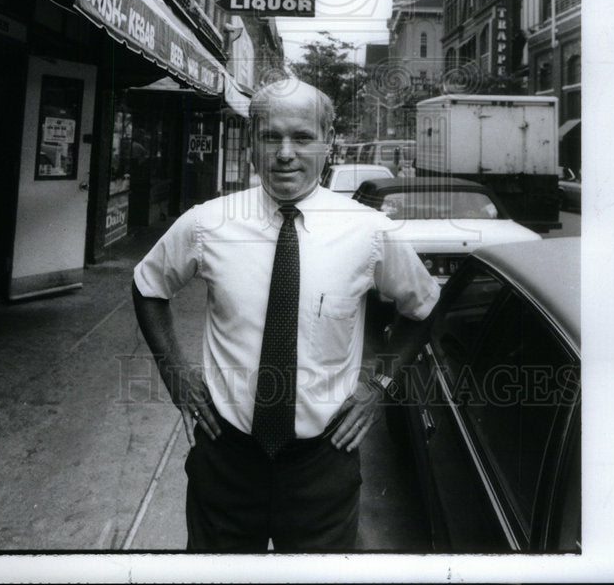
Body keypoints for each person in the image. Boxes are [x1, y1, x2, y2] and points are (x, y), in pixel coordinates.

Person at [132, 78, 440, 553]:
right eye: (270, 136)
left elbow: (422, 308)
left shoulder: (369, 232)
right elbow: (148, 285)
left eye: (301, 137)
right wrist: (173, 370)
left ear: (328, 143)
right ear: (252, 144)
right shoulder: (207, 223)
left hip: (324, 462)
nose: (284, 153)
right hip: (226, 457)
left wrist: (377, 386)